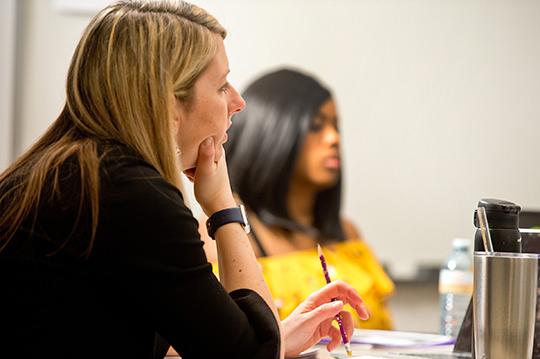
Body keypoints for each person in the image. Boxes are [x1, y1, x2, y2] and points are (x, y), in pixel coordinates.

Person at [0, 2, 369, 358]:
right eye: (222, 85)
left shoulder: (56, 173)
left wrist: (274, 337)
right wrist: (223, 207)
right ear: (169, 101)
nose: (238, 102)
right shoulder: (130, 193)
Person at [201, 68, 394, 330]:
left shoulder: (347, 233)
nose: (333, 138)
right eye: (316, 126)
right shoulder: (229, 228)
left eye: (335, 125)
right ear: (270, 132)